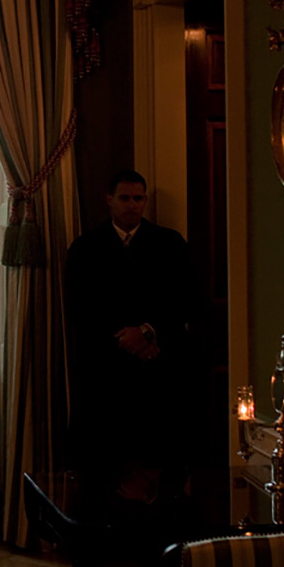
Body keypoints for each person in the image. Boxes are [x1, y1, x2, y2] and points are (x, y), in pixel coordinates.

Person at [65, 168, 193, 506]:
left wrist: (149, 334)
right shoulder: (85, 248)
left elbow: (184, 300)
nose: (133, 205)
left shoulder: (170, 243)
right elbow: (80, 308)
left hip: (157, 372)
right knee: (105, 465)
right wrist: (123, 339)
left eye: (139, 198)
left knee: (156, 463)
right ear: (109, 200)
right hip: (104, 373)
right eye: (125, 198)